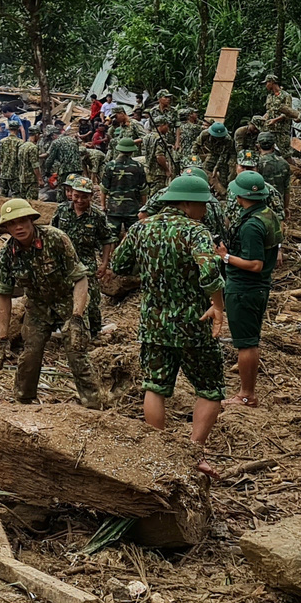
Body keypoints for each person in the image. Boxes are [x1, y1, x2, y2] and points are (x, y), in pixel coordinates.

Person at [109, 171, 227, 464]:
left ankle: (159, 452)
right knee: (210, 389)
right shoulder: (195, 232)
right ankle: (195, 449)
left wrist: (153, 270)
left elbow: (119, 264)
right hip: (194, 322)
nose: (205, 210)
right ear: (187, 204)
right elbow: (209, 272)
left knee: (155, 386)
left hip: (153, 322)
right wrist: (218, 305)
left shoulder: (140, 229)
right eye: (203, 205)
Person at [0, 197, 96, 406]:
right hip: (37, 306)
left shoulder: (56, 239)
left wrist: (77, 316)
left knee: (77, 352)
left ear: (32, 219)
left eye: (22, 221)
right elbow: (3, 294)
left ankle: (94, 404)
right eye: (12, 223)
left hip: (68, 300)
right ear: (6, 227)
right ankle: (24, 402)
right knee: (30, 355)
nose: (18, 227)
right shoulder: (7, 254)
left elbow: (80, 278)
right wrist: (3, 338)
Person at [218, 169, 280, 409]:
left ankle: (246, 395)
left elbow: (255, 264)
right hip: (255, 288)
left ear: (239, 196)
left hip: (246, 287)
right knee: (249, 341)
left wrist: (226, 257)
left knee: (246, 342)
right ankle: (247, 392)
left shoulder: (251, 226)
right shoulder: (267, 214)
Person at [53, 175, 113, 340]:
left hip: (86, 262)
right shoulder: (62, 210)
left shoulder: (97, 216)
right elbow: (52, 234)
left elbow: (107, 240)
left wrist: (105, 263)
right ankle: (64, 328)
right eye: (76, 195)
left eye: (84, 197)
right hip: (63, 262)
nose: (79, 200)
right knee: (64, 295)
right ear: (71, 193)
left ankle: (94, 331)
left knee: (91, 298)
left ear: (91, 196)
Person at [101, 140, 148, 243]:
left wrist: (103, 205)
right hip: (132, 207)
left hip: (114, 207)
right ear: (132, 151)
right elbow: (143, 190)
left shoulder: (110, 166)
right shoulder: (138, 167)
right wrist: (144, 207)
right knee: (132, 234)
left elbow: (104, 188)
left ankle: (111, 256)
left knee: (112, 235)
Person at [192, 120, 236, 196]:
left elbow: (223, 155)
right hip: (213, 153)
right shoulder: (205, 134)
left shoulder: (228, 139)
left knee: (223, 174)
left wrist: (216, 167)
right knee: (205, 169)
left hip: (225, 156)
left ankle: (222, 193)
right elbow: (196, 145)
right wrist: (194, 158)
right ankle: (205, 189)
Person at [253, 132, 293, 212]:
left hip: (260, 206)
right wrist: (285, 207)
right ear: (274, 145)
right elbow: (287, 189)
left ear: (258, 146)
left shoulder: (255, 164)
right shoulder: (284, 163)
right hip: (278, 205)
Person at [42, 122, 82, 192]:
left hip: (66, 169)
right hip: (78, 167)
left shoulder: (56, 142)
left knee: (62, 189)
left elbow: (51, 158)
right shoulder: (72, 139)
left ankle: (62, 201)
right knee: (76, 187)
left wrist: (47, 170)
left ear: (54, 135)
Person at [261, 74, 295, 145]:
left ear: (272, 82)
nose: (266, 85)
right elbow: (269, 111)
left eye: (267, 83)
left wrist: (275, 120)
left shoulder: (285, 95)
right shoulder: (270, 96)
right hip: (270, 129)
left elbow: (288, 113)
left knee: (285, 151)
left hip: (282, 130)